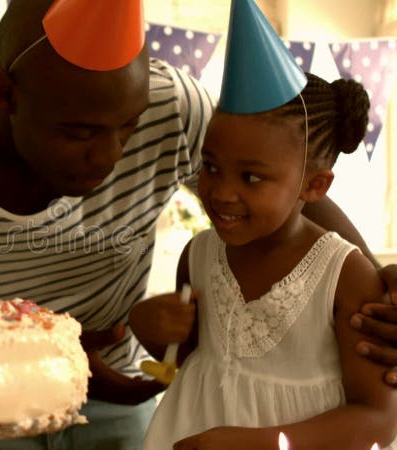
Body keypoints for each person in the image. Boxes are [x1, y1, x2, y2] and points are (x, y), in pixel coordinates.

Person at [0, 0, 397, 448]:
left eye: (128, 127)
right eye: (80, 132)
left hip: (117, 399)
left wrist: (378, 294)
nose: (112, 154)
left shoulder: (172, 108)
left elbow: (276, 169)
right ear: (7, 93)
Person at [132, 2, 396, 447]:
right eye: (211, 167)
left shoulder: (344, 277)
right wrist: (149, 328)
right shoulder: (197, 256)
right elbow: (189, 367)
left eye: (251, 177)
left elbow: (377, 418)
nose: (221, 192)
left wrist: (253, 442)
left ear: (314, 185)